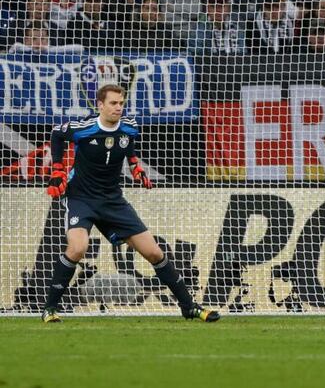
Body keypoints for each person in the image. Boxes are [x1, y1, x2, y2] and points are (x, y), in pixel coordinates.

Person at [42, 84, 220, 323]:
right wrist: (57, 170)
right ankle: (50, 309)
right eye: (113, 103)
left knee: (154, 252)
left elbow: (128, 147)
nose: (118, 107)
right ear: (100, 105)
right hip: (81, 198)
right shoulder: (83, 128)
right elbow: (56, 134)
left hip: (113, 200)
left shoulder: (130, 127)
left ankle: (189, 307)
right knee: (77, 248)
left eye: (121, 103)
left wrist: (136, 168)